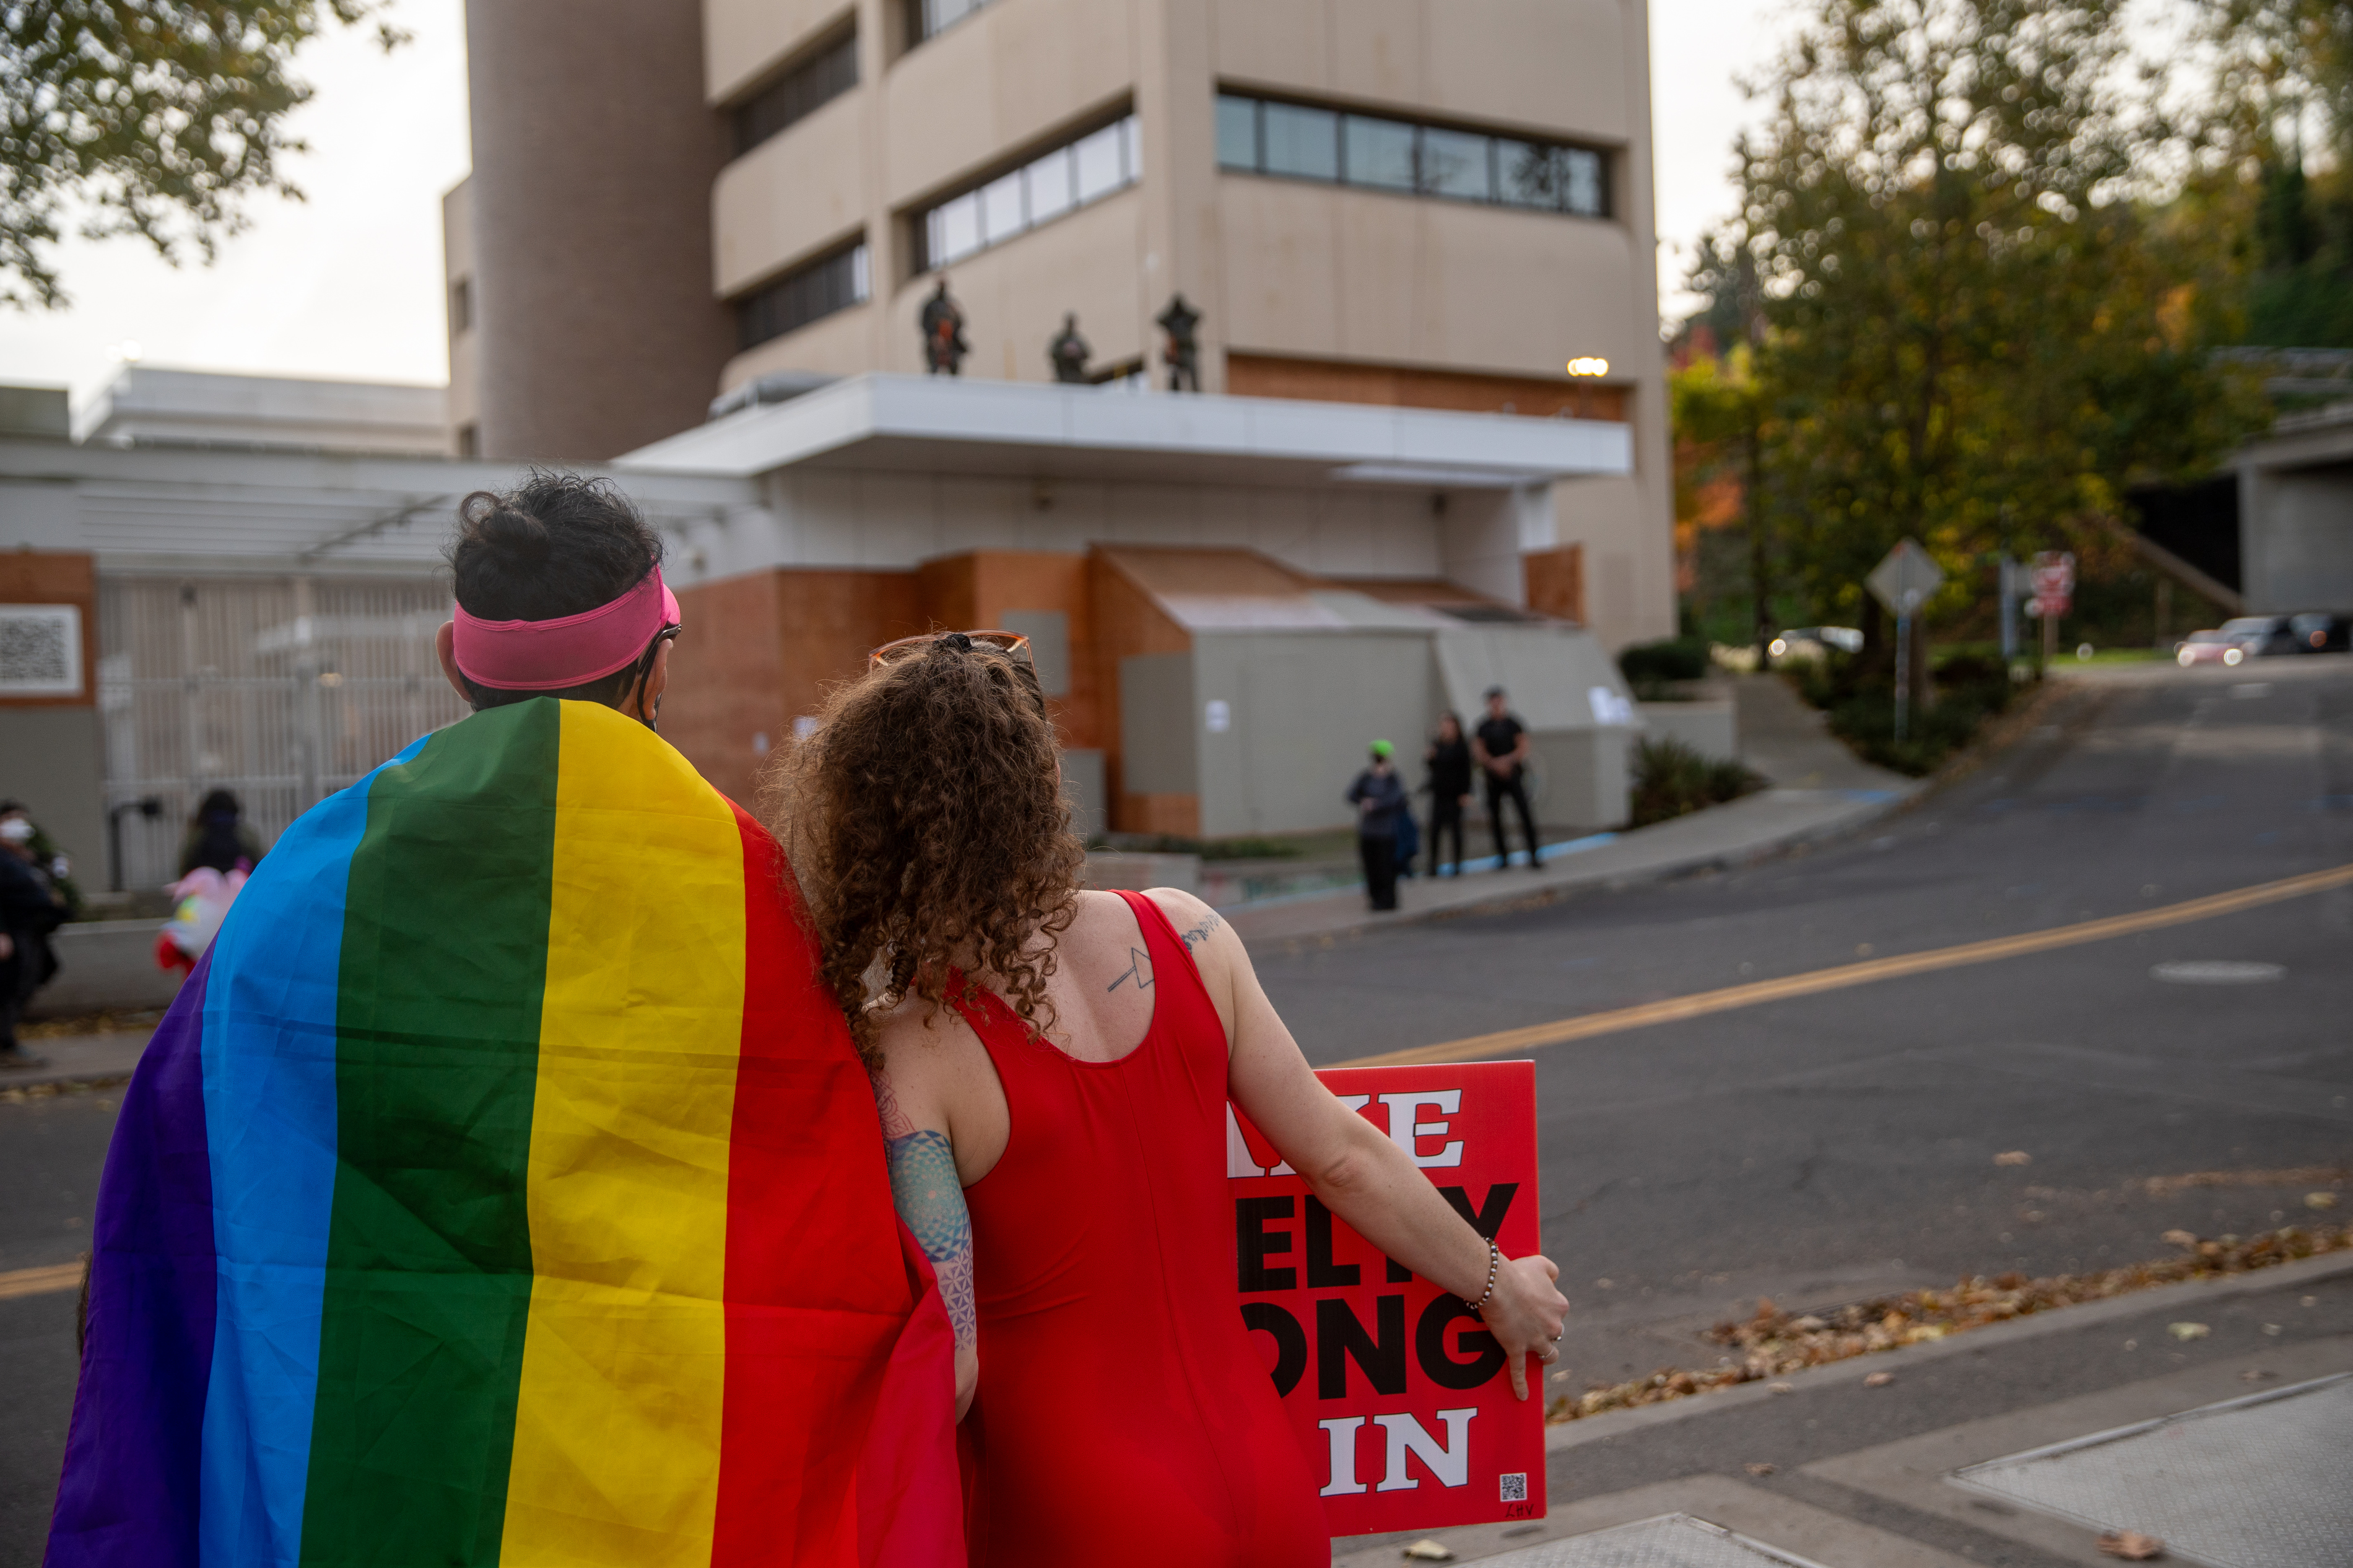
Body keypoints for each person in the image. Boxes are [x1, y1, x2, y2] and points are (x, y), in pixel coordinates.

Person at [49, 472, 960, 1568]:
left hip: (385, 1468)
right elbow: (823, 1211)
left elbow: (183, 1151)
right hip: (656, 1494)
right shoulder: (744, 880)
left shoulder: (311, 875)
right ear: (657, 663)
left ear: (454, 659)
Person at [772, 634, 1568, 1568]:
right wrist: (1496, 1283)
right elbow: (1342, 1157)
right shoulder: (1188, 934)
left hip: (1070, 1509)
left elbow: (950, 1369)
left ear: (873, 820)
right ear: (1037, 783)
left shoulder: (911, 1043)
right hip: (1268, 1479)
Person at [1, 803, 68, 1070]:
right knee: (10, 987)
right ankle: (6, 1045)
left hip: (31, 930)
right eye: (10, 819)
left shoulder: (23, 856)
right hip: (14, 932)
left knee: (28, 979)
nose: (18, 825)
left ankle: (7, 1041)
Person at [1473, 686, 1541, 871]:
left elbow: (1523, 747)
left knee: (1524, 813)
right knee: (1495, 817)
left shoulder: (1514, 723)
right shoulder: (1483, 726)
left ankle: (1533, 854)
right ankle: (1503, 857)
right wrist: (1494, 764)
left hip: (1514, 775)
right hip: (1493, 778)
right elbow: (1479, 750)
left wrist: (1508, 761)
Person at [1346, 739, 1409, 912]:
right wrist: (1363, 801)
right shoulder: (1366, 777)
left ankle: (1388, 900)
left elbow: (1397, 800)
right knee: (1371, 867)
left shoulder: (1392, 778)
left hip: (1386, 831)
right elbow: (1351, 795)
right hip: (1368, 831)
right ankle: (1375, 899)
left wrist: (1376, 805)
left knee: (1386, 867)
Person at [1424, 712, 1473, 875]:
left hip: (1455, 794)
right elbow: (1432, 767)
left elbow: (1467, 771)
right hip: (1440, 793)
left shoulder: (1461, 747)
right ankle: (1433, 865)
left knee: (1455, 830)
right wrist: (1430, 757)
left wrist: (1466, 793)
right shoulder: (1437, 745)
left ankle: (1457, 864)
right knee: (1435, 830)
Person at [175, 788, 266, 876]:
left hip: (203, 886)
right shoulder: (244, 833)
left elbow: (185, 864)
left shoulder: (200, 833)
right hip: (240, 884)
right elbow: (260, 861)